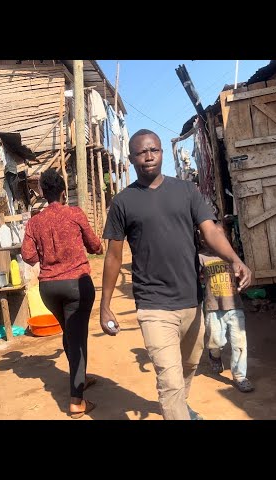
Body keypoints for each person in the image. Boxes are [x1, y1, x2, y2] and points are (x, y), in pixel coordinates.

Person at [99, 128, 252, 420]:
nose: (149, 156)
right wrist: (105, 304)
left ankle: (182, 408)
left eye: (154, 150)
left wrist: (234, 259)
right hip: (153, 305)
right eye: (142, 152)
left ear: (162, 153)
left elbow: (210, 231)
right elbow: (114, 256)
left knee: (189, 366)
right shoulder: (123, 202)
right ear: (131, 159)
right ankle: (178, 410)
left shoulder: (186, 191)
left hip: (191, 301)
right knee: (169, 383)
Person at [22, 168, 103, 418]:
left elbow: (28, 255)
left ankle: (81, 378)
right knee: (77, 339)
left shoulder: (35, 221)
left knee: (70, 333)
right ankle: (76, 401)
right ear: (64, 191)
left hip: (49, 288)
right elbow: (95, 246)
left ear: (43, 192)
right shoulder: (74, 213)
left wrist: (46, 256)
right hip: (76, 285)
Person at [199, 224, 254, 393]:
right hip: (213, 307)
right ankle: (214, 354)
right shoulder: (201, 258)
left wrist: (242, 280)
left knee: (239, 343)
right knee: (216, 340)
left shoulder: (233, 257)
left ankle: (240, 376)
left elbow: (243, 275)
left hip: (234, 307)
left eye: (222, 236)